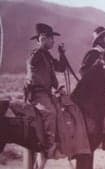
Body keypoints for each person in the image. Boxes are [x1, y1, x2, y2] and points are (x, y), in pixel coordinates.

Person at [25, 23, 67, 158]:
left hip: (47, 93)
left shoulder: (46, 55)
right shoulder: (36, 55)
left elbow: (61, 68)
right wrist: (41, 44)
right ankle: (48, 145)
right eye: (50, 38)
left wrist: (62, 54)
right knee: (50, 113)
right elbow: (32, 65)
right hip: (38, 93)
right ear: (43, 39)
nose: (53, 41)